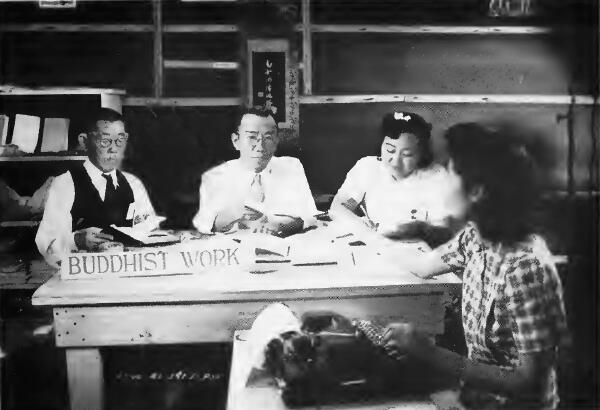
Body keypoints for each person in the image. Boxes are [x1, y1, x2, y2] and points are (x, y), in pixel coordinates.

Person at [382, 123, 569, 409]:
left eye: (453, 173)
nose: (444, 182)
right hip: (476, 399)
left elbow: (528, 382)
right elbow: (422, 266)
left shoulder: (525, 268)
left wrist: (430, 354)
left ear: (478, 191)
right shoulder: (475, 237)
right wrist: (373, 241)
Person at [36, 108, 160, 267]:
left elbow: (150, 231)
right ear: (84, 141)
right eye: (105, 141)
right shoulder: (65, 183)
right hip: (81, 277)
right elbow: (45, 242)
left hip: (126, 273)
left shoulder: (133, 183)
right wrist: (76, 240)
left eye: (120, 140)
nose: (114, 149)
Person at [330, 110, 458, 245]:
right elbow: (340, 206)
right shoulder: (368, 167)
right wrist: (363, 229)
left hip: (416, 254)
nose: (395, 161)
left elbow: (440, 233)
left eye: (407, 154)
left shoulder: (436, 177)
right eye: (390, 150)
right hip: (373, 248)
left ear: (422, 154)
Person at [192, 107, 317, 236]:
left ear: (276, 141)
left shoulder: (291, 167)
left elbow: (309, 216)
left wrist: (277, 225)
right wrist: (238, 221)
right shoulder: (215, 177)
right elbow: (205, 224)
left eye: (268, 137)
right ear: (236, 141)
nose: (260, 146)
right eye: (252, 137)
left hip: (284, 245)